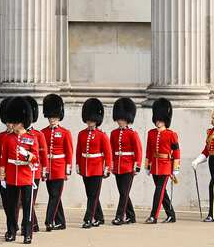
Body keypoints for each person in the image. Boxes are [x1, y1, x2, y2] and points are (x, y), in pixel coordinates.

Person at [0, 96, 38, 244]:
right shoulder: (7, 138)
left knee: (27, 207)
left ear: (22, 122)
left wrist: (27, 155)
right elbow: (3, 160)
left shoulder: (31, 138)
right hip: (12, 176)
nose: (13, 124)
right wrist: (3, 177)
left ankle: (28, 233)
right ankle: (11, 231)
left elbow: (36, 158)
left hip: (25, 176)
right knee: (11, 207)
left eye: (16, 122)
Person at [75, 98, 111, 228]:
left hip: (96, 168)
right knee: (91, 194)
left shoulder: (102, 135)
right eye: (88, 119)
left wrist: (107, 168)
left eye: (92, 120)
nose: (90, 122)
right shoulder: (81, 134)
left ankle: (88, 219)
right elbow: (79, 151)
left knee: (93, 195)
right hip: (85, 167)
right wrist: (78, 165)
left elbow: (108, 153)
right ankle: (100, 217)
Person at [40, 94, 72, 231]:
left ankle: (49, 220)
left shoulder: (65, 133)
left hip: (59, 167)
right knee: (54, 195)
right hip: (48, 168)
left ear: (59, 118)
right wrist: (43, 168)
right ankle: (61, 222)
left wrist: (68, 169)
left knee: (54, 195)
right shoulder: (43, 132)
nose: (52, 120)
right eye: (50, 118)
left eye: (55, 118)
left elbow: (69, 151)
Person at [144, 97, 178, 223]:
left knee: (158, 191)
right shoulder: (151, 133)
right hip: (154, 166)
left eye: (161, 119)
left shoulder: (171, 134)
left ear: (165, 120)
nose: (158, 122)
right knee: (162, 192)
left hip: (165, 166)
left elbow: (176, 152)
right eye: (157, 119)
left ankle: (154, 216)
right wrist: (147, 166)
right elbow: (148, 151)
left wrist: (175, 169)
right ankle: (171, 215)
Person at [109, 97, 141, 225]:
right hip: (117, 166)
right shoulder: (114, 133)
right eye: (119, 119)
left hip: (128, 166)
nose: (120, 121)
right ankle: (131, 216)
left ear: (127, 119)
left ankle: (119, 216)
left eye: (122, 119)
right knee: (123, 192)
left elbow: (138, 150)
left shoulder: (132, 134)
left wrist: (137, 165)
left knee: (123, 193)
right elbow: (111, 150)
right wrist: (111, 164)